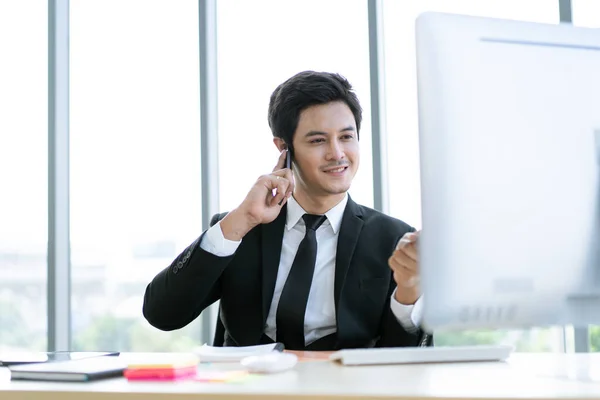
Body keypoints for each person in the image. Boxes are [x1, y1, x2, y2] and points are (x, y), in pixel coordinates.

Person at [143, 71, 432, 350]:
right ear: (284, 148)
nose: (337, 153)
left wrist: (407, 294)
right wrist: (241, 220)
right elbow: (163, 314)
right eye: (318, 140)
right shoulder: (241, 229)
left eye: (346, 137)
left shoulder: (392, 238)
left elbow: (400, 357)